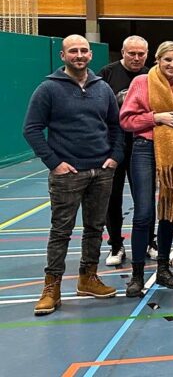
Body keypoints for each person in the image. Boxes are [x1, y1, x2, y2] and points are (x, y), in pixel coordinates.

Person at [24, 35, 124, 315]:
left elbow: (116, 126)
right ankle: (51, 287)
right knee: (61, 232)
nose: (79, 55)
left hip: (101, 172)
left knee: (94, 228)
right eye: (73, 51)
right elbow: (31, 129)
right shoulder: (48, 89)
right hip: (67, 174)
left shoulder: (102, 88)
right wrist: (54, 163)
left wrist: (114, 157)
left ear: (91, 55)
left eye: (83, 51)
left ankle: (87, 277)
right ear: (63, 56)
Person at [119, 41, 173, 296]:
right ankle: (137, 274)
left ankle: (164, 268)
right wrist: (155, 117)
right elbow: (126, 120)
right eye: (168, 60)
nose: (172, 65)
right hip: (145, 149)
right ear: (157, 59)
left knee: (168, 210)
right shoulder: (141, 82)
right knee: (143, 213)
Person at [99, 35, 151, 267]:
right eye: (132, 53)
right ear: (122, 52)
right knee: (113, 197)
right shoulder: (106, 74)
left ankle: (150, 241)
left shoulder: (152, 75)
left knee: (146, 197)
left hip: (144, 146)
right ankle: (116, 245)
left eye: (141, 54)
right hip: (113, 147)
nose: (137, 58)